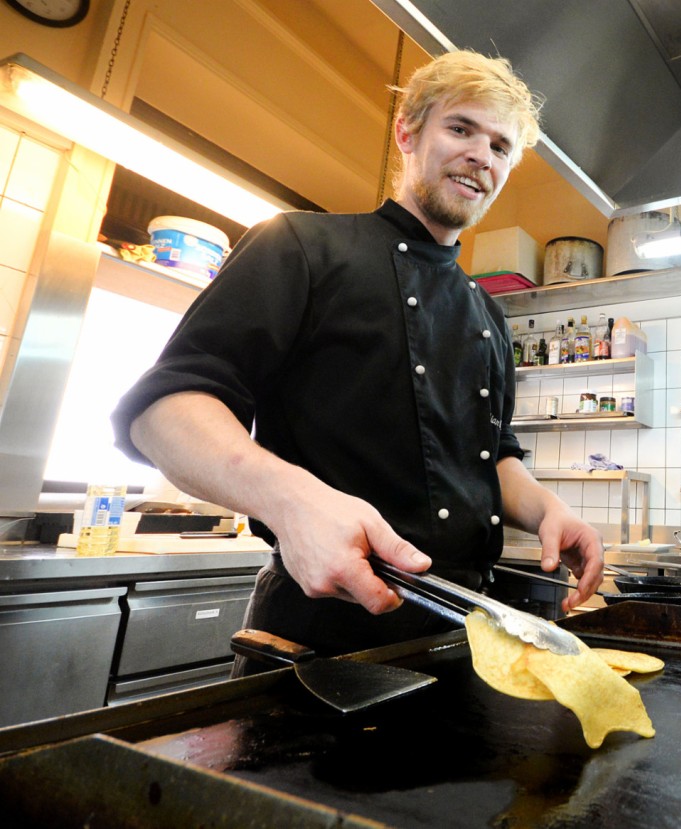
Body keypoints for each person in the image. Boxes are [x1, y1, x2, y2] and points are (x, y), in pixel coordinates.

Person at [111, 51, 604, 667]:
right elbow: (163, 411)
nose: (482, 154)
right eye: (461, 129)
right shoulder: (301, 246)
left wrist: (550, 511)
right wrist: (290, 500)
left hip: (464, 635)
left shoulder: (489, 314)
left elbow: (491, 455)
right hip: (315, 637)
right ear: (407, 132)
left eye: (501, 146)